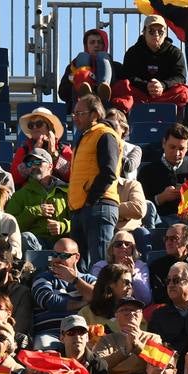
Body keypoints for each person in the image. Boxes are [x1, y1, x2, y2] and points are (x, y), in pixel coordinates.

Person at [69, 95, 122, 266]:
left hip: (98, 206)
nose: (75, 117)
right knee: (81, 268)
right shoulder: (84, 137)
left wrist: (91, 200)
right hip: (81, 208)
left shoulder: (105, 135)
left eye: (80, 113)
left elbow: (109, 172)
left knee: (100, 266)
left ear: (94, 114)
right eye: (74, 113)